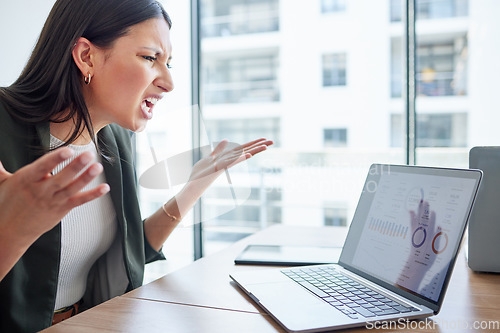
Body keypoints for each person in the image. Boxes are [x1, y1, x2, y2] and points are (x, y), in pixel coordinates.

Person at [0, 0, 273, 331]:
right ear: (86, 56)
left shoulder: (115, 138)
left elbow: (128, 254)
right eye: (149, 58)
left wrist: (194, 186)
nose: (168, 83)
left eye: (168, 63)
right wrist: (15, 227)